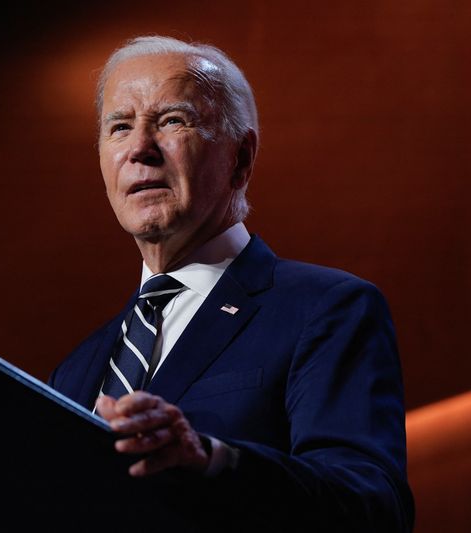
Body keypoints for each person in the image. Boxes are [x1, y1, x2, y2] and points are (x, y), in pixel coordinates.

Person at [49, 35, 414, 532]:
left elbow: (371, 507)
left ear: (240, 158)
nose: (139, 148)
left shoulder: (325, 309)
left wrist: (212, 460)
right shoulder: (76, 370)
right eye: (119, 127)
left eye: (172, 121)